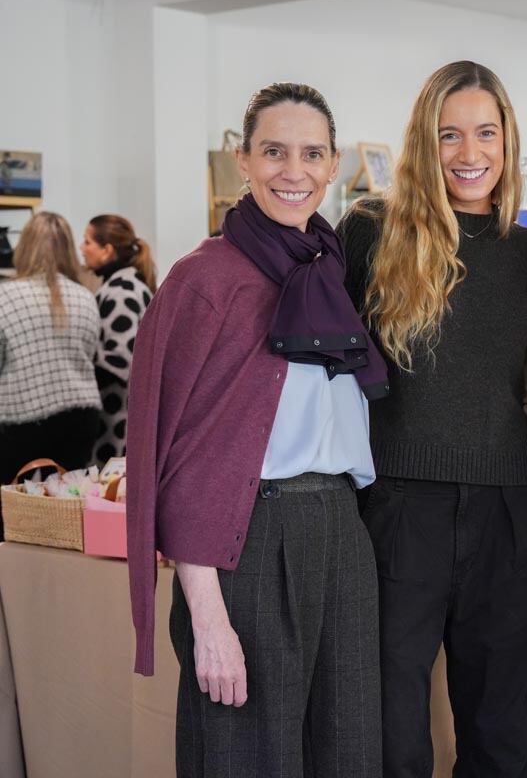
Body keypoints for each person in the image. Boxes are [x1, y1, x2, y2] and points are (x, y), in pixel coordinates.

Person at [125, 82, 385, 776]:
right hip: (248, 542)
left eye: (311, 154)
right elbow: (173, 459)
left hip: (340, 529)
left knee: (349, 748)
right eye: (273, 152)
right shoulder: (203, 279)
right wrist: (207, 618)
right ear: (243, 160)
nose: (292, 171)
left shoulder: (332, 273)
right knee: (246, 755)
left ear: (333, 166)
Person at [338, 61, 527, 778]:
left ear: (507, 139)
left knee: (502, 727)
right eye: (449, 135)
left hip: (504, 510)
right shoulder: (369, 232)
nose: (469, 153)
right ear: (424, 143)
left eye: (485, 133)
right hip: (397, 507)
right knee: (391, 720)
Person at [0, 212, 101, 501]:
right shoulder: (86, 297)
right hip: (81, 417)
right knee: (66, 507)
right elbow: (90, 353)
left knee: (11, 505)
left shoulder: (7, 296)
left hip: (19, 419)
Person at [79, 214, 156, 464]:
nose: (82, 248)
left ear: (107, 250)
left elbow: (119, 361)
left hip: (116, 421)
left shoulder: (121, 291)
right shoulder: (126, 284)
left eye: (87, 242)